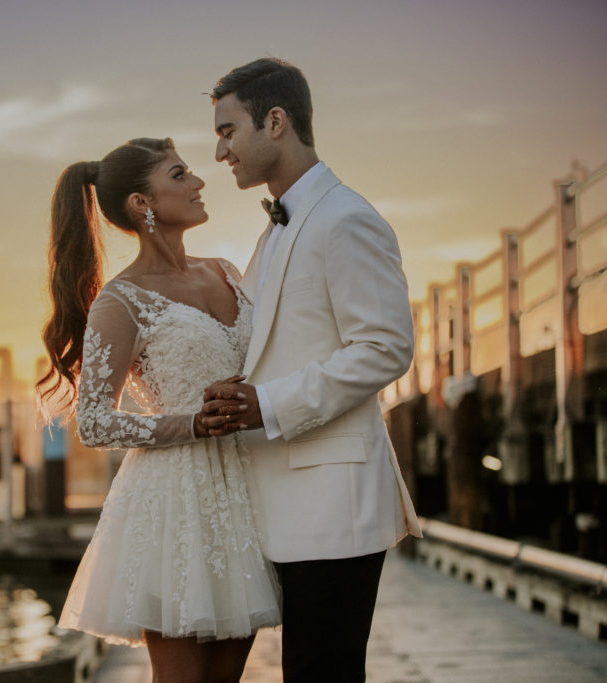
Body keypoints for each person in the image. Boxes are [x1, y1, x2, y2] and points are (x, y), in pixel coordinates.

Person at [200, 58, 423, 683]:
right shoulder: (275, 230)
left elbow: (384, 347)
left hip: (336, 504)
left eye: (227, 131)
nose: (219, 151)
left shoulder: (346, 217)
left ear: (276, 122)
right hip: (281, 499)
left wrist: (265, 405)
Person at [39, 137, 281, 683]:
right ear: (141, 204)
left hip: (245, 491)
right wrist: (192, 422)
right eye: (179, 175)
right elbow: (95, 421)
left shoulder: (225, 271)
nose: (197, 183)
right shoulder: (120, 301)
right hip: (175, 501)